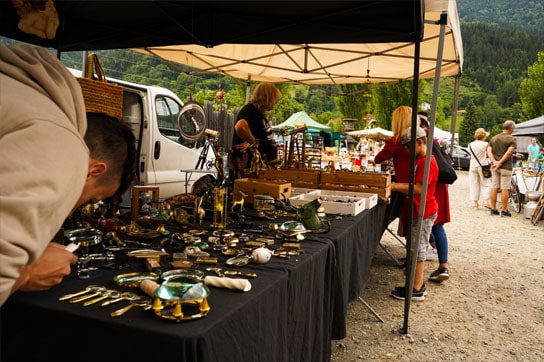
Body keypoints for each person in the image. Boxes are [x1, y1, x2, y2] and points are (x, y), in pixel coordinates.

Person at [0, 43, 136, 307]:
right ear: (94, 170)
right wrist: (26, 273)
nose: (75, 211)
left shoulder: (21, 99)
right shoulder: (61, 145)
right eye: (88, 200)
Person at [390, 126, 438, 301]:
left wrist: (393, 186)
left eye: (409, 148)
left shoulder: (427, 162)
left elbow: (418, 189)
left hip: (423, 211)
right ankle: (415, 284)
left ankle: (416, 288)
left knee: (417, 249)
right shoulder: (422, 160)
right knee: (414, 248)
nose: (408, 152)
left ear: (419, 142)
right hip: (418, 210)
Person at [417, 112, 451, 283]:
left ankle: (442, 264)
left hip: (431, 183)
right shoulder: (432, 136)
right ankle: (441, 263)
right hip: (437, 183)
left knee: (434, 223)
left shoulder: (423, 135)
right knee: (437, 224)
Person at [374, 106, 413, 237]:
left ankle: (416, 254)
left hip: (405, 186)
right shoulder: (418, 138)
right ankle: (428, 248)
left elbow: (378, 158)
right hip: (418, 181)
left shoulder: (397, 140)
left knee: (411, 221)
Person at [229, 82, 282, 179]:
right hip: (250, 168)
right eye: (274, 99)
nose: (275, 102)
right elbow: (240, 126)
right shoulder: (250, 110)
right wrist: (253, 142)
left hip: (261, 167)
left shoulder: (258, 113)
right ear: (267, 97)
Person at [487, 120, 517, 217]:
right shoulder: (512, 139)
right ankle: (504, 210)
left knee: (494, 186)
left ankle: (493, 209)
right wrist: (500, 162)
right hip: (506, 166)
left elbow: (489, 151)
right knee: (505, 188)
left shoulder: (494, 138)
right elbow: (509, 153)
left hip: (495, 166)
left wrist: (494, 162)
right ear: (511, 128)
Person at [468, 128, 491, 209]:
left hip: (473, 166)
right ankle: (486, 201)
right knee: (486, 183)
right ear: (483, 135)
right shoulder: (485, 144)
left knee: (474, 184)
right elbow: (488, 155)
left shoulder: (470, 144)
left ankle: (475, 204)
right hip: (484, 167)